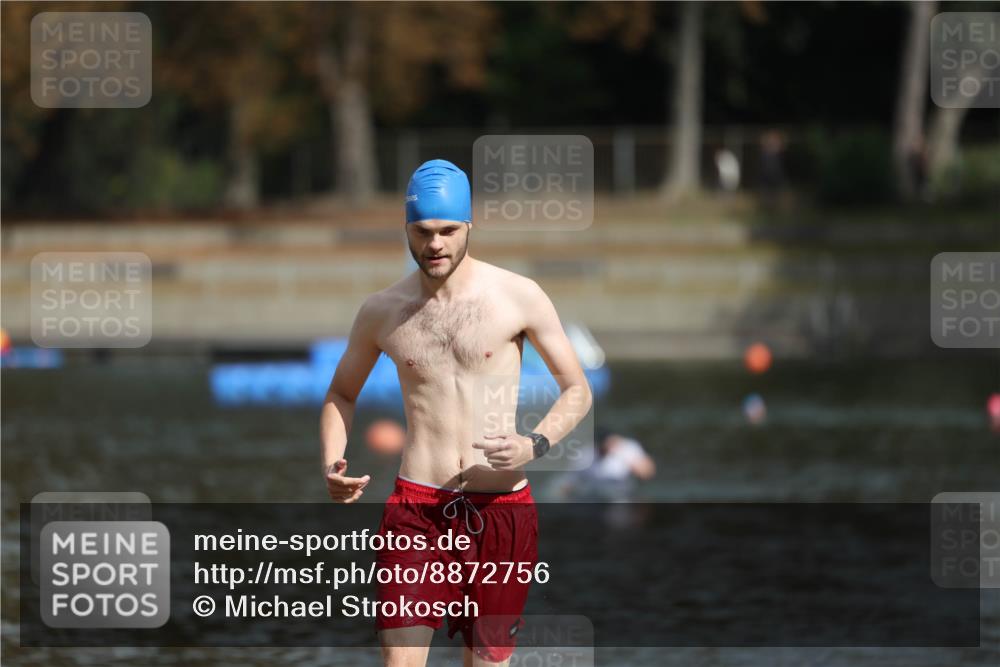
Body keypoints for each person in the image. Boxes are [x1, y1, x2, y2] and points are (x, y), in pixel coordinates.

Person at [320, 159, 593, 667]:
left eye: (448, 230)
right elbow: (341, 393)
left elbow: (577, 390)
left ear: (470, 226)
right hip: (416, 512)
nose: (436, 244)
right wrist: (333, 460)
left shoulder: (517, 296)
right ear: (407, 229)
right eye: (423, 232)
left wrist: (534, 444)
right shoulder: (382, 310)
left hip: (501, 512)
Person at [556, 427, 656, 502]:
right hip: (592, 495)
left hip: (621, 493)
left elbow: (647, 473)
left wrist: (624, 456)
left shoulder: (628, 448)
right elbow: (569, 482)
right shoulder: (585, 454)